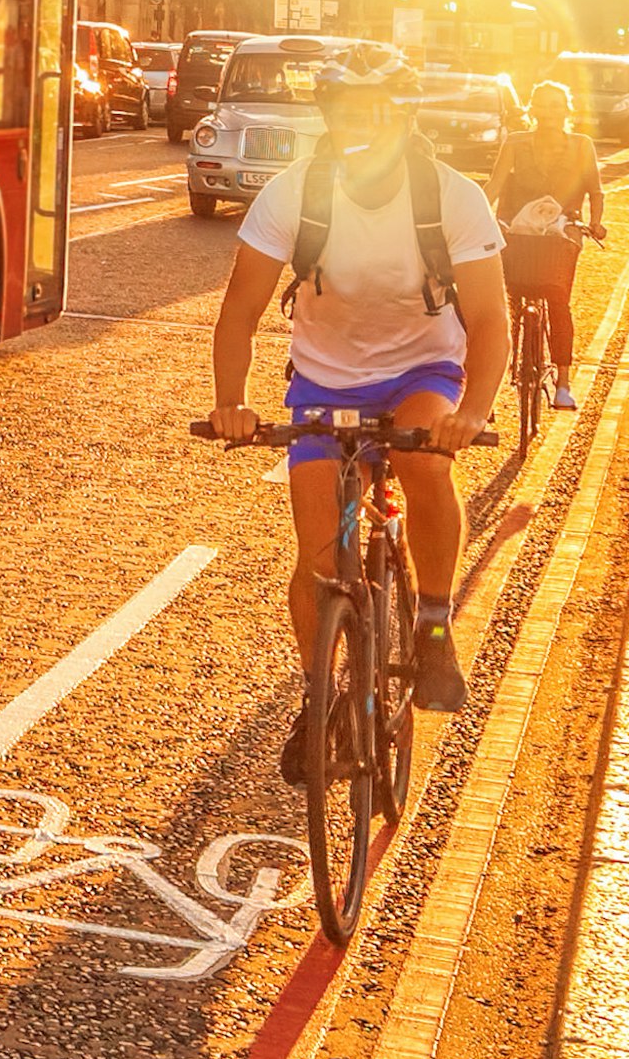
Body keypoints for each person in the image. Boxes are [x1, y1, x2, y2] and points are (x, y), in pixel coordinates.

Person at [207, 76, 511, 778]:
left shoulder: (450, 196)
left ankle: (433, 623)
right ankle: (320, 698)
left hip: (422, 372)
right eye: (346, 113)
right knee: (318, 562)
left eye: (377, 111)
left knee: (425, 461)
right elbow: (241, 308)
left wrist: (473, 412)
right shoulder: (295, 193)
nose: (361, 126)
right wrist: (232, 400)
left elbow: (490, 321)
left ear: (403, 117)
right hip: (324, 380)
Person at [492, 76, 603, 410]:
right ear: (532, 108)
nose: (549, 111)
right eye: (542, 103)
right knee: (501, 307)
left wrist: (595, 223)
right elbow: (494, 184)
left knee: (557, 299)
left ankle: (564, 385)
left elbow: (596, 190)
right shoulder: (515, 141)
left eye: (556, 105)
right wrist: (477, 216)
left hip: (562, 233)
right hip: (517, 232)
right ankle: (491, 392)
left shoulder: (582, 144)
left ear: (567, 109)